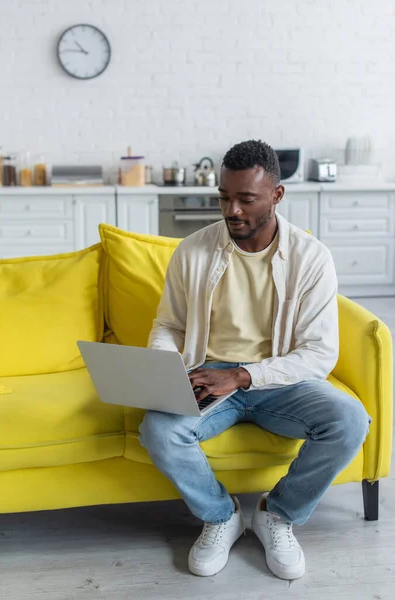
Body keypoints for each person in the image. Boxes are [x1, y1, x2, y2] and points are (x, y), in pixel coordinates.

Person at [139, 140, 370, 580]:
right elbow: (168, 324)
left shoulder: (312, 258)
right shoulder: (192, 251)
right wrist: (165, 369)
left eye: (246, 199)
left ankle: (276, 515)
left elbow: (319, 354)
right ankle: (221, 516)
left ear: (276, 196)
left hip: (281, 377)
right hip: (207, 375)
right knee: (159, 430)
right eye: (225, 197)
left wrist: (244, 376)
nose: (233, 210)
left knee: (350, 420)